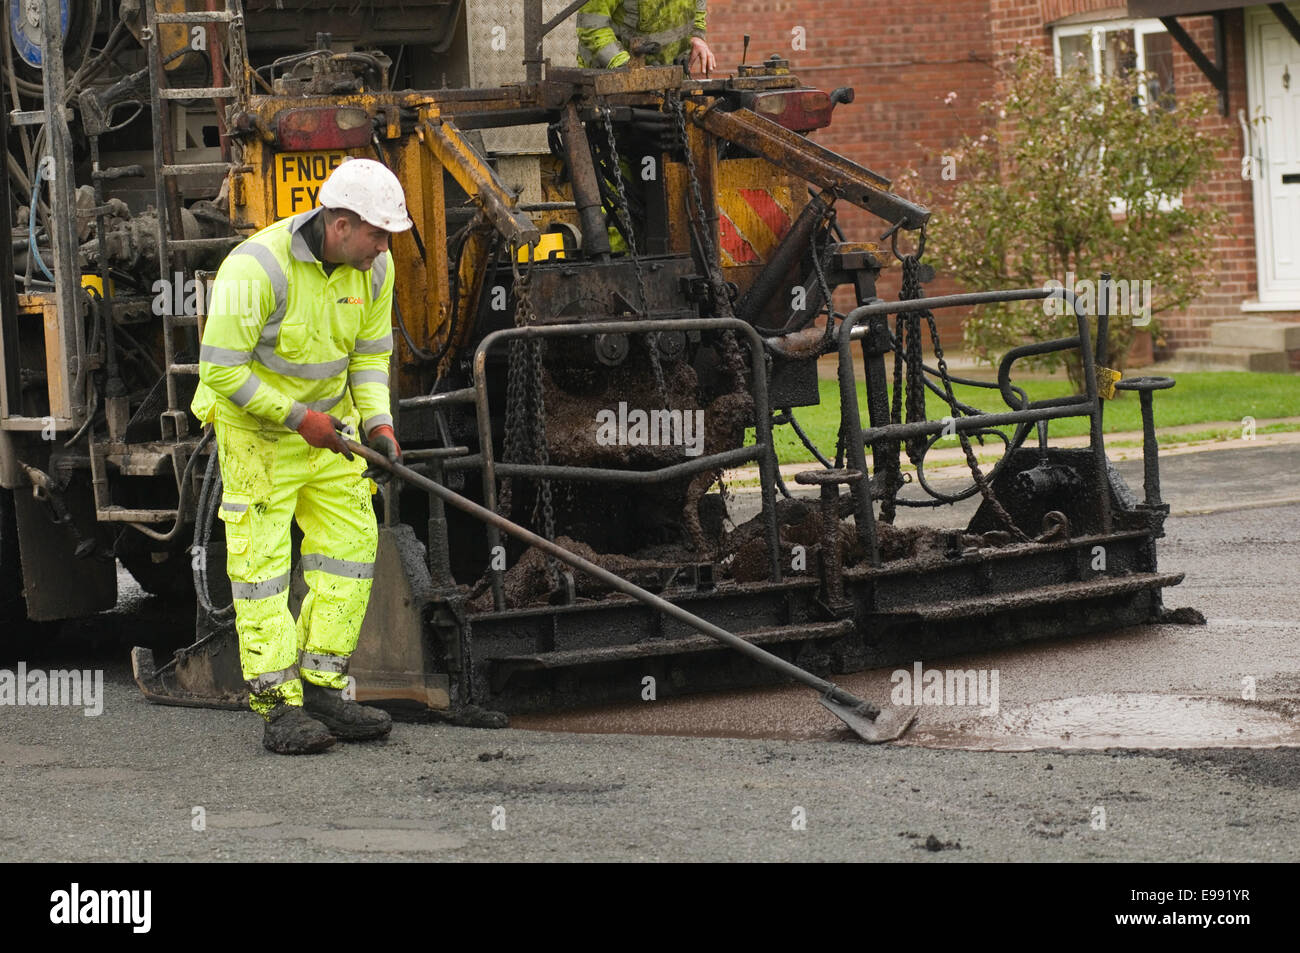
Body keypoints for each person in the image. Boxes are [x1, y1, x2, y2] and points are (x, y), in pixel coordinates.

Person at [192, 158, 408, 755]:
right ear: (340, 225)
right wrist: (296, 419)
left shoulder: (375, 268)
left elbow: (368, 356)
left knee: (350, 548)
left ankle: (321, 689)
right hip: (258, 432)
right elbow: (220, 369)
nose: (383, 247)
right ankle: (279, 708)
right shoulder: (256, 268)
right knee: (262, 571)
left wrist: (380, 422)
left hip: (329, 431)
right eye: (376, 234)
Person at [577, 0, 717, 76]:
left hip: (669, 79)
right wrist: (624, 65)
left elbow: (698, 4)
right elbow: (592, 25)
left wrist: (697, 35)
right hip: (613, 82)